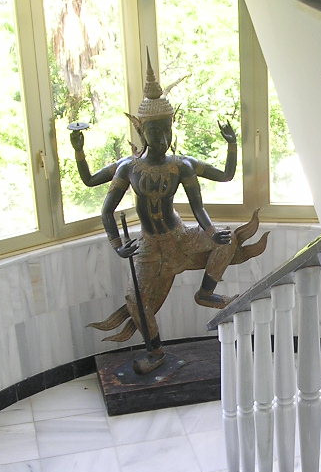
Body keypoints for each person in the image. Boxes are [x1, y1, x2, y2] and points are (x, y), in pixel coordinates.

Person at [70, 57, 266, 373]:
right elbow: (99, 198)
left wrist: (231, 146)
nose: (161, 137)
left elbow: (214, 189)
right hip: (149, 247)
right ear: (141, 130)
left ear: (171, 127)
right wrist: (117, 244)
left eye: (165, 129)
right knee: (136, 303)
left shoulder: (181, 165)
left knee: (228, 238)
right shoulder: (128, 167)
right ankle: (156, 352)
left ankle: (206, 293)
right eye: (154, 130)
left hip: (181, 237)